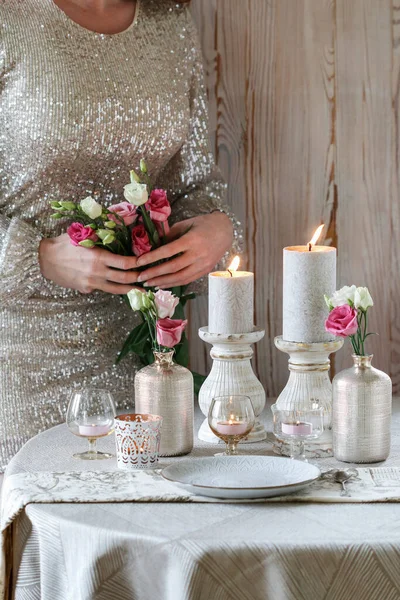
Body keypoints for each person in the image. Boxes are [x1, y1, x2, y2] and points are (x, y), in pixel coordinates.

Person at [0, 0, 240, 470]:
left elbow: (192, 183)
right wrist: (40, 256)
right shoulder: (10, 19)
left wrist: (217, 228)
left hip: (146, 353)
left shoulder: (170, 23)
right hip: (20, 355)